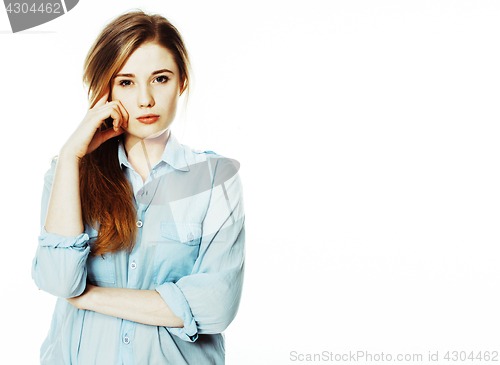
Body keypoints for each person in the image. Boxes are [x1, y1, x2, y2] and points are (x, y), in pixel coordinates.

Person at [31, 10, 245, 365]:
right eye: (126, 82)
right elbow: (58, 279)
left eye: (160, 79)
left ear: (182, 82)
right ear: (106, 92)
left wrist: (88, 296)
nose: (145, 99)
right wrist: (71, 155)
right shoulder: (68, 174)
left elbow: (215, 307)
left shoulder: (215, 178)